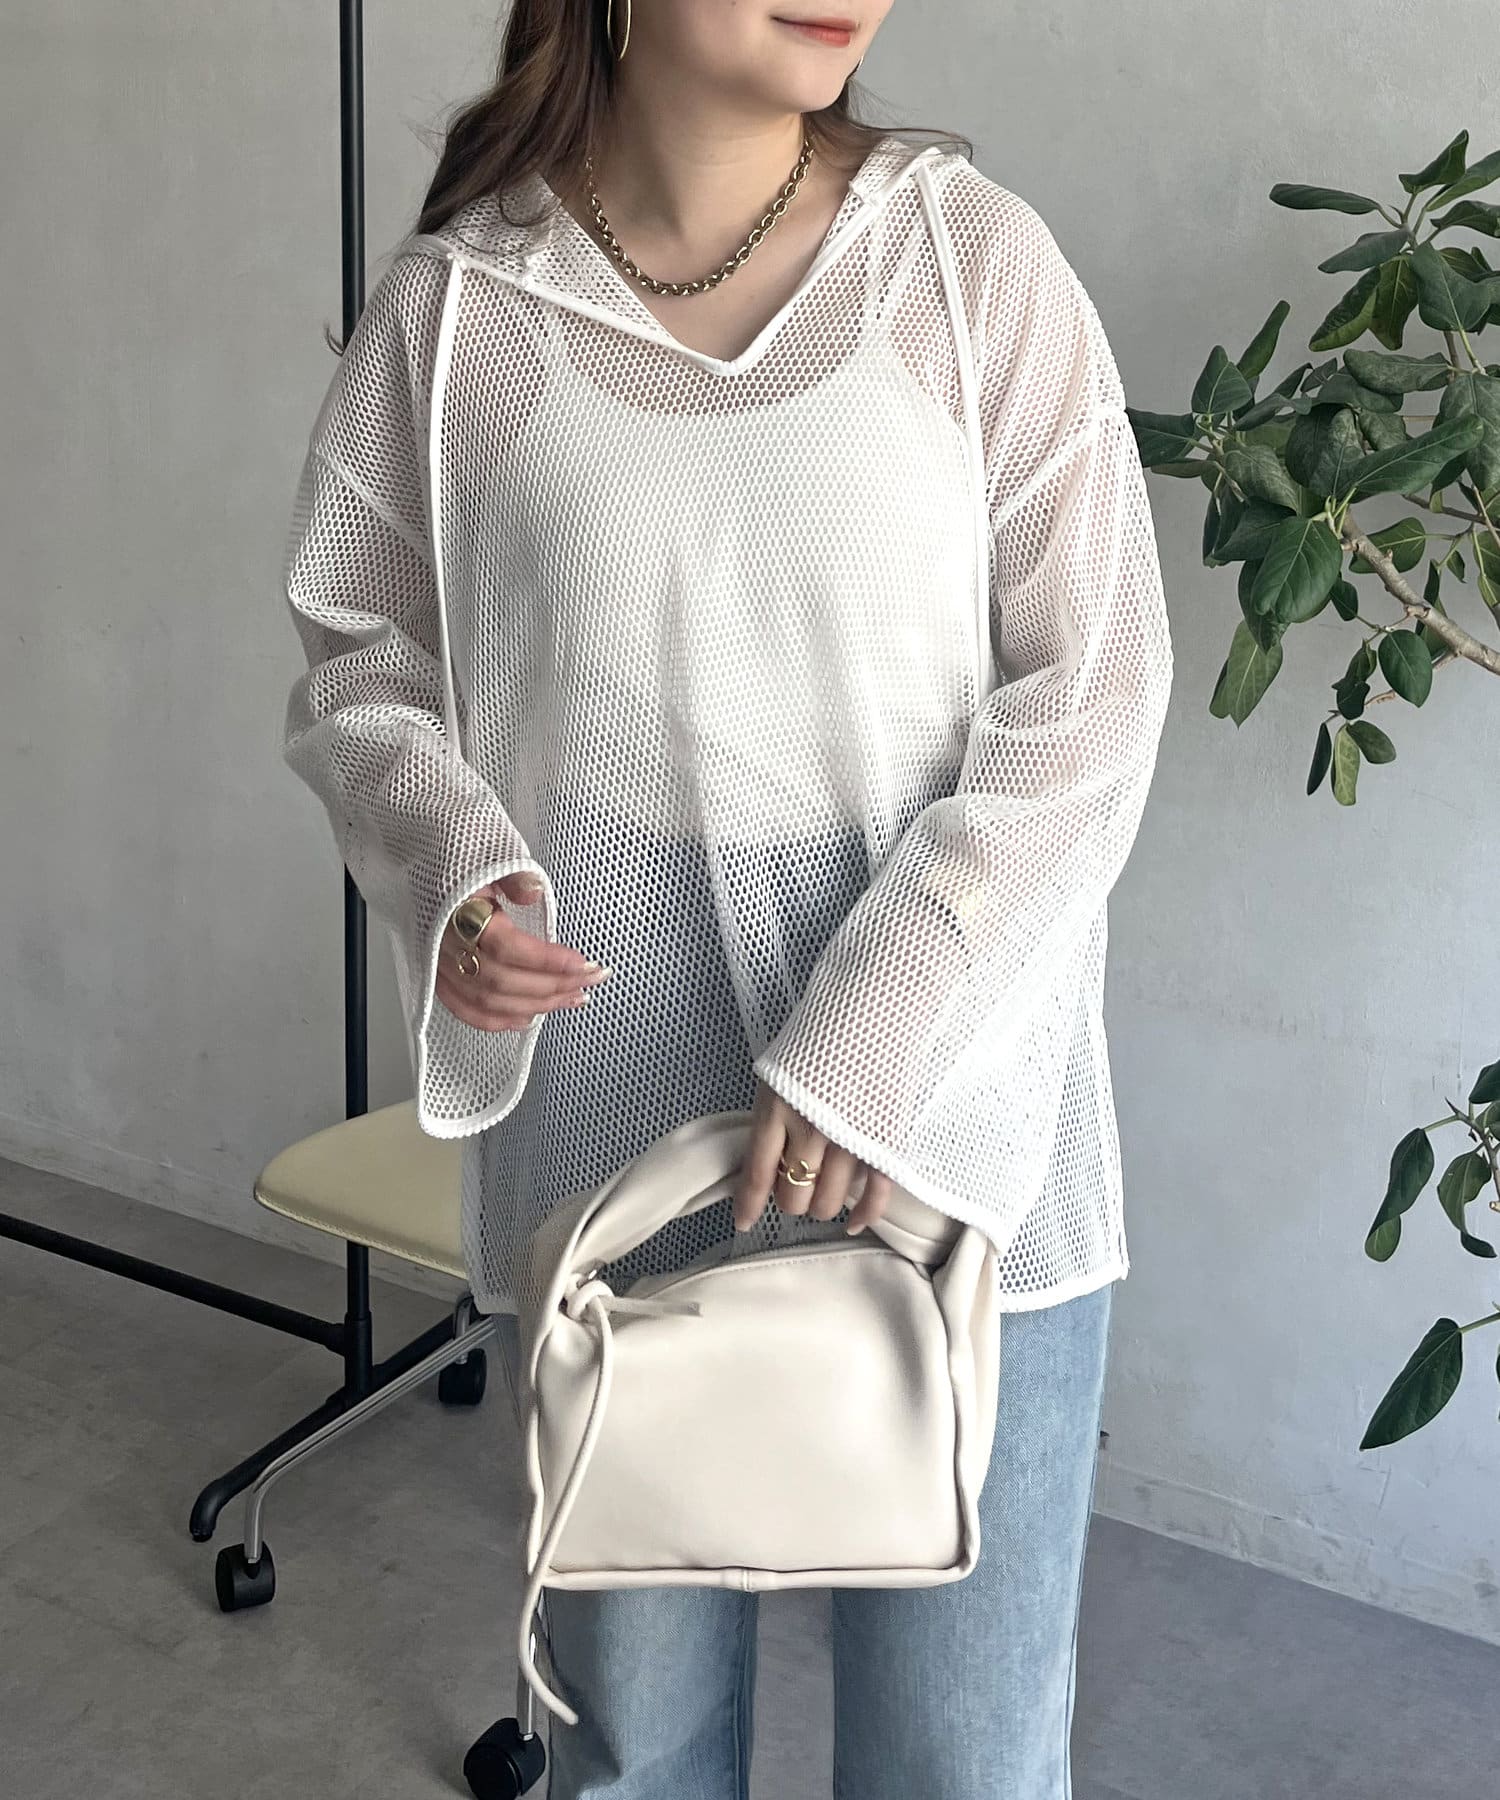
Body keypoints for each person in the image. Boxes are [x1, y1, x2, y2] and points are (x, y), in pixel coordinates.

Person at [278, 1, 1174, 1793]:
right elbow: (360, 654)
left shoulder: (966, 264)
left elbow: (1095, 694)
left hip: (958, 1139)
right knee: (637, 1758)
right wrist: (456, 868)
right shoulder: (461, 316)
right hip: (615, 1140)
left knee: (966, 1764)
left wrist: (867, 1041)